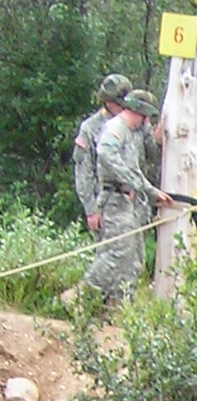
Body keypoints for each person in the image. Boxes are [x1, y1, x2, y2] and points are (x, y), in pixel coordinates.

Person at [76, 88, 168, 316]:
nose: (146, 123)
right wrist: (136, 184)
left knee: (133, 259)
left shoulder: (130, 132)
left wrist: (150, 192)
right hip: (115, 200)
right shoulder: (115, 128)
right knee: (117, 251)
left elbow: (139, 168)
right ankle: (81, 295)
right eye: (145, 117)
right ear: (139, 113)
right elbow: (106, 154)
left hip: (130, 203)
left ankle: (117, 309)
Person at [71, 74, 130, 235]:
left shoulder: (131, 124)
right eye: (119, 104)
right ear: (108, 102)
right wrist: (91, 210)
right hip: (106, 203)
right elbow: (84, 172)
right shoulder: (90, 128)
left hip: (132, 204)